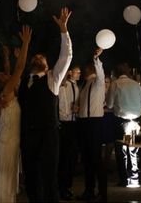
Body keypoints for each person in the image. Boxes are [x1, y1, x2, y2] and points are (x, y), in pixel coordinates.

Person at [18, 7, 73, 203]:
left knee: (49, 176)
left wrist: (64, 30)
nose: (39, 57)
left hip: (48, 133)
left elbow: (66, 56)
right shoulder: (23, 82)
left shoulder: (52, 79)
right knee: (31, 177)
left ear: (48, 66)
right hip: (28, 134)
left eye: (42, 58)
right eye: (36, 57)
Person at [0, 25, 31, 203]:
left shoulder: (6, 93)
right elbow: (20, 67)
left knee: (4, 182)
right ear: (1, 81)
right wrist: (25, 44)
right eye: (1, 74)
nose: (5, 74)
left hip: (6, 142)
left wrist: (6, 56)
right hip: (6, 143)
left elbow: (10, 69)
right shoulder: (6, 92)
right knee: (4, 181)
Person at [106, 62, 141, 189]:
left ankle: (124, 179)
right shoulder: (136, 84)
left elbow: (110, 104)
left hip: (121, 121)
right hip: (136, 120)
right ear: (128, 72)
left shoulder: (115, 84)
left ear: (117, 73)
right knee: (134, 148)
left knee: (121, 150)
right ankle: (135, 175)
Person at [76, 47, 106, 201]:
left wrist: (96, 59)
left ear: (90, 69)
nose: (83, 71)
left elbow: (101, 73)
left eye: (85, 68)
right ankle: (89, 191)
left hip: (95, 122)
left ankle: (102, 192)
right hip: (84, 123)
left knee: (95, 158)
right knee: (87, 159)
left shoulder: (98, 82)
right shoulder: (83, 86)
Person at [57, 64, 80, 200]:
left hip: (73, 122)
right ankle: (62, 187)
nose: (79, 74)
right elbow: (60, 103)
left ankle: (66, 186)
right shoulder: (61, 86)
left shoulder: (76, 87)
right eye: (77, 72)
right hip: (63, 122)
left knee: (70, 156)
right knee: (63, 157)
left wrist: (76, 108)